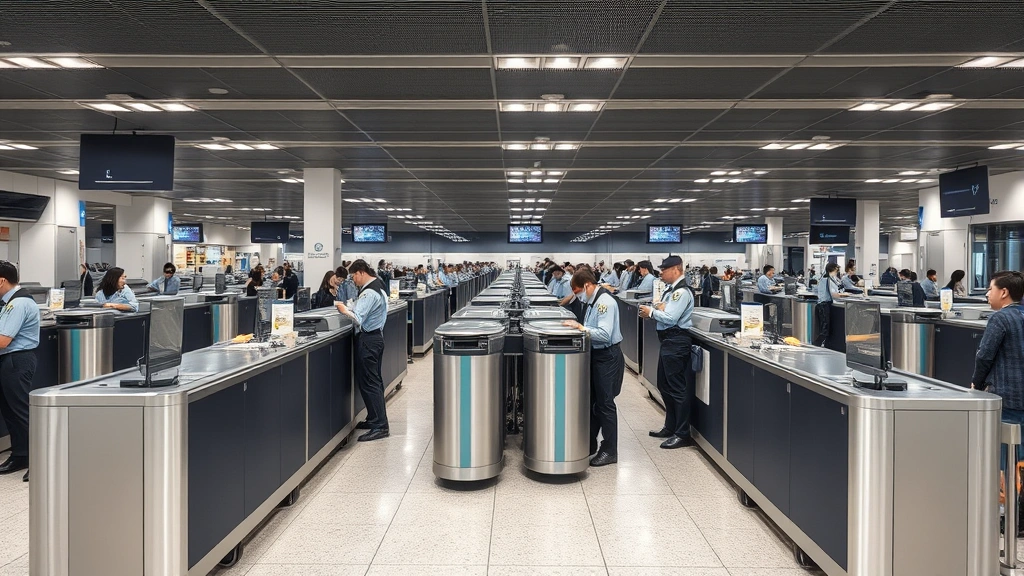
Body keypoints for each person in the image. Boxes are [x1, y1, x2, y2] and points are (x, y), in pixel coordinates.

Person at [562, 269, 623, 467]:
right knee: (594, 403)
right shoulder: (592, 301)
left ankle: (610, 450)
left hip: (607, 356)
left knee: (605, 404)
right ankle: (589, 444)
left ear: (587, 285)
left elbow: (604, 334)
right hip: (596, 356)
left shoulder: (605, 303)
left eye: (578, 291)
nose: (578, 296)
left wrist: (581, 328)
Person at [639, 256, 696, 449]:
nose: (661, 272)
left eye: (664, 269)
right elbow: (663, 309)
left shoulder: (681, 292)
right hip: (667, 342)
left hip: (676, 341)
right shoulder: (670, 291)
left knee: (677, 389)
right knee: (664, 386)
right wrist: (658, 310)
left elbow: (670, 318)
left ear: (676, 269)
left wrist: (652, 312)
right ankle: (670, 426)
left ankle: (682, 433)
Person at [971, 271, 1024, 466]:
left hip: (1007, 396)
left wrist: (976, 383)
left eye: (990, 289)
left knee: (1005, 455)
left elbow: (984, 355)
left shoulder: (1000, 318)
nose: (987, 293)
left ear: (1004, 292)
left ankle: (1006, 484)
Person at [335, 260, 390, 442]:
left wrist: (343, 309)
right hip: (376, 338)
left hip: (368, 340)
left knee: (371, 383)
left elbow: (358, 318)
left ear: (361, 272)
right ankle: (374, 418)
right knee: (372, 381)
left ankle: (380, 425)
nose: (353, 280)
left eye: (353, 276)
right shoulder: (379, 285)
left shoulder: (368, 292)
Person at [0, 261, 40, 481]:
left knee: (21, 413)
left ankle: (40, 461)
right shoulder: (10, 302)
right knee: (10, 412)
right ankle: (21, 455)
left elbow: (3, 340)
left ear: (1, 281)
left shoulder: (18, 303)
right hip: (10, 361)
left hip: (17, 360)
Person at [814, 263, 848, 346]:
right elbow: (834, 294)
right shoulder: (827, 279)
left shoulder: (829, 278)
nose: (837, 272)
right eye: (836, 270)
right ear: (833, 269)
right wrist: (845, 295)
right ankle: (817, 344)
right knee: (825, 329)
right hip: (824, 305)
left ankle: (823, 344)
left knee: (826, 328)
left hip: (825, 304)